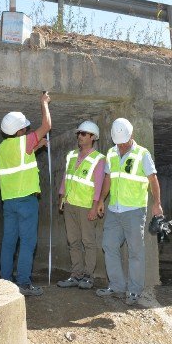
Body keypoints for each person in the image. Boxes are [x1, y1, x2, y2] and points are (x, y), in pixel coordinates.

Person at [95, 118, 163, 306]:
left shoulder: (142, 154)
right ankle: (117, 285)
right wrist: (101, 199)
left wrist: (157, 203)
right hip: (113, 209)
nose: (122, 145)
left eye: (124, 141)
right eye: (118, 141)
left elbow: (153, 179)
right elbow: (108, 179)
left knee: (135, 251)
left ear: (131, 135)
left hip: (134, 210)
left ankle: (134, 290)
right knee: (109, 245)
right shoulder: (111, 152)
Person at [0, 92, 51, 297]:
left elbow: (21, 159)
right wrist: (44, 103)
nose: (28, 129)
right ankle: (24, 283)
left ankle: (5, 282)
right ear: (20, 130)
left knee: (9, 241)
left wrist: (38, 146)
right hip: (26, 201)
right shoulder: (24, 142)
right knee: (28, 242)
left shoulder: (1, 148)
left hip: (9, 202)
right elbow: (46, 126)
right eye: (26, 128)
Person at [56, 120, 105, 290]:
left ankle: (88, 276)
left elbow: (98, 185)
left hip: (86, 207)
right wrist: (61, 197)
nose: (79, 136)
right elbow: (66, 178)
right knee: (73, 241)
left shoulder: (98, 159)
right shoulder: (71, 155)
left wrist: (94, 206)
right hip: (70, 205)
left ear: (93, 137)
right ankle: (75, 275)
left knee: (88, 242)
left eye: (83, 134)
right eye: (79, 133)